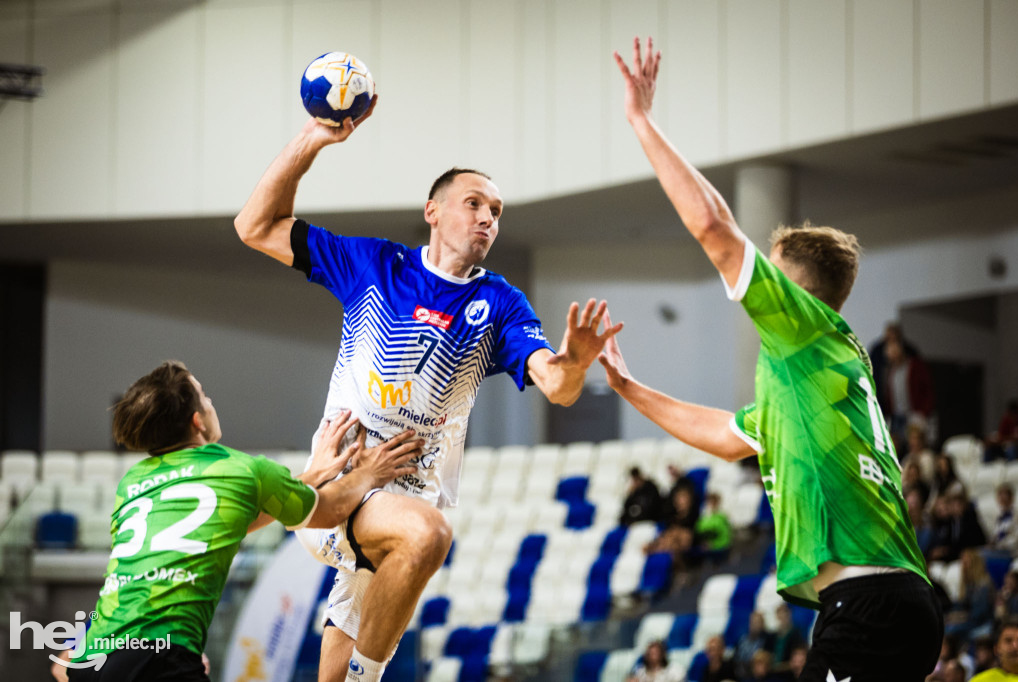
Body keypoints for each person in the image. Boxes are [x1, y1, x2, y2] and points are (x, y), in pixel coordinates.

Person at [234, 102, 622, 681]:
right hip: (341, 481)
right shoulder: (372, 263)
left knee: (341, 659)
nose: (488, 218)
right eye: (474, 204)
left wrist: (575, 362)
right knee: (430, 535)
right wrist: (313, 139)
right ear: (432, 212)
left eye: (496, 210)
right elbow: (254, 227)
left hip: (404, 505)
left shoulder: (501, 303)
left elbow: (558, 387)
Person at [601, 36, 943, 681]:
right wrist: (628, 387)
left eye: (771, 275)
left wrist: (640, 122)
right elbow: (727, 437)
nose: (756, 286)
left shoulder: (807, 333)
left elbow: (714, 229)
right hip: (878, 605)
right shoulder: (808, 382)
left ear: (795, 291)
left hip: (870, 606)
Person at [64, 361, 422, 681]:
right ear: (197, 421)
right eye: (204, 396)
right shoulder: (241, 469)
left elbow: (221, 527)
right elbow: (329, 511)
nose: (209, 400)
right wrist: (367, 474)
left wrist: (310, 476)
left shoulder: (133, 483)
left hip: (90, 659)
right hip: (161, 656)